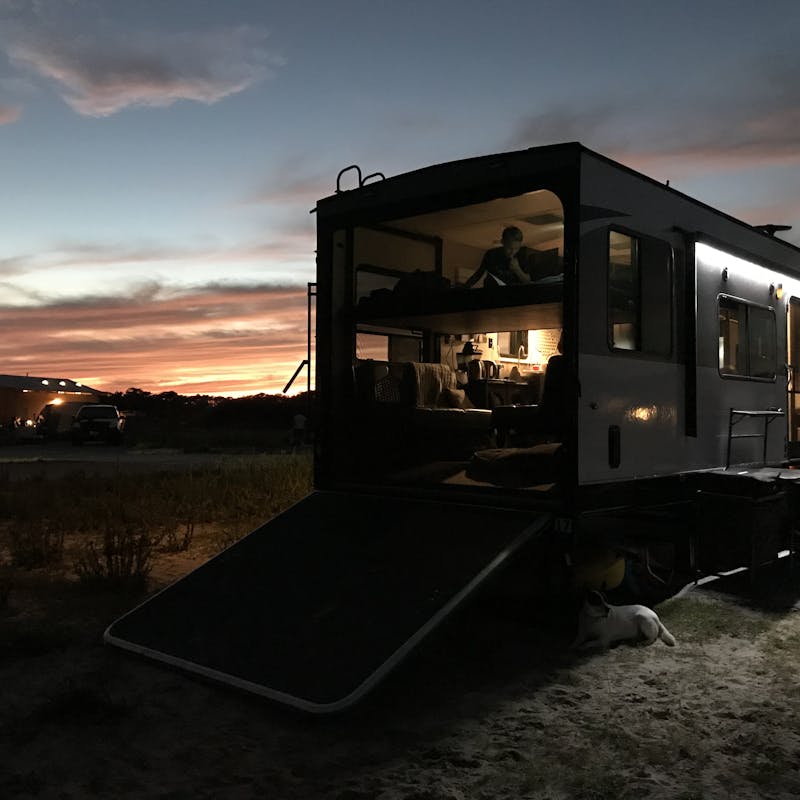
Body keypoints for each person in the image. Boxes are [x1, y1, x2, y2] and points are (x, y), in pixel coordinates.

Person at [463, 226, 533, 288]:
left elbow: (527, 282)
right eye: (509, 248)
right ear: (502, 242)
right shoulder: (491, 254)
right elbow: (479, 273)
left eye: (517, 248)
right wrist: (465, 287)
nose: (513, 252)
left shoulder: (522, 256)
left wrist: (517, 270)